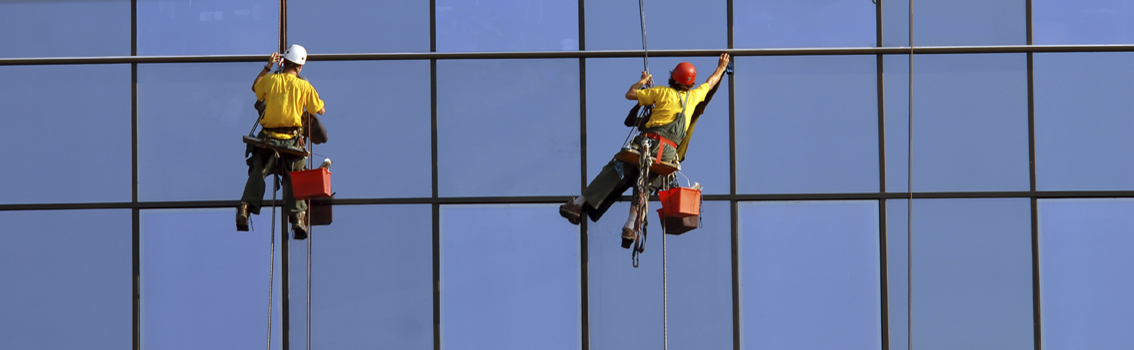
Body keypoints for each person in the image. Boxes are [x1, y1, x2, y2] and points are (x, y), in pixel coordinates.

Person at [560, 53, 730, 248]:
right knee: (645, 185)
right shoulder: (694, 96)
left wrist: (641, 82)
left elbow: (630, 94)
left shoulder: (662, 92)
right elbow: (710, 83)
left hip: (648, 144)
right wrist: (721, 67)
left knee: (615, 170)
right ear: (690, 83)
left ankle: (578, 204)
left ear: (673, 77)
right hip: (667, 154)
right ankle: (630, 226)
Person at [236, 44, 326, 239]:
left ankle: (244, 207)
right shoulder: (304, 86)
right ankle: (298, 219)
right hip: (291, 141)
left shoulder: (270, 80)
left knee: (258, 171)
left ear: (284, 62)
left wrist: (268, 66)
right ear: (300, 67)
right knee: (297, 176)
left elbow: (255, 87)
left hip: (268, 139)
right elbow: (320, 109)